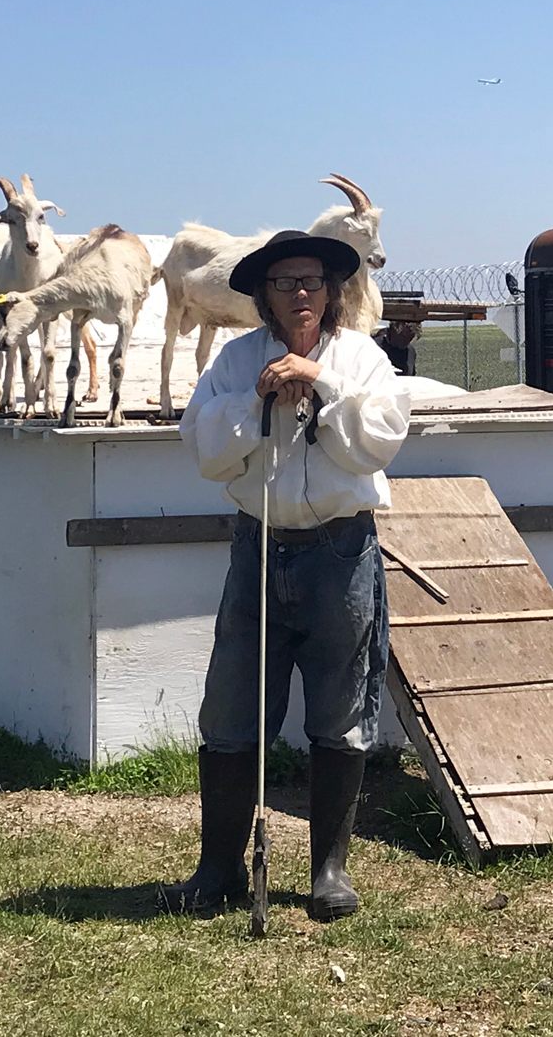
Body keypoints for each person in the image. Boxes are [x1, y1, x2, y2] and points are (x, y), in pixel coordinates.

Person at [162, 230, 411, 921]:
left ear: (332, 291)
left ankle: (329, 869)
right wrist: (256, 404)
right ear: (263, 297)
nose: (299, 294)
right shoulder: (239, 362)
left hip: (341, 554)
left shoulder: (361, 358)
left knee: (339, 707)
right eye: (283, 283)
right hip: (259, 549)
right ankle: (218, 868)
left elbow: (379, 442)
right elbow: (204, 449)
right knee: (234, 707)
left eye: (310, 282)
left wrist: (319, 383)